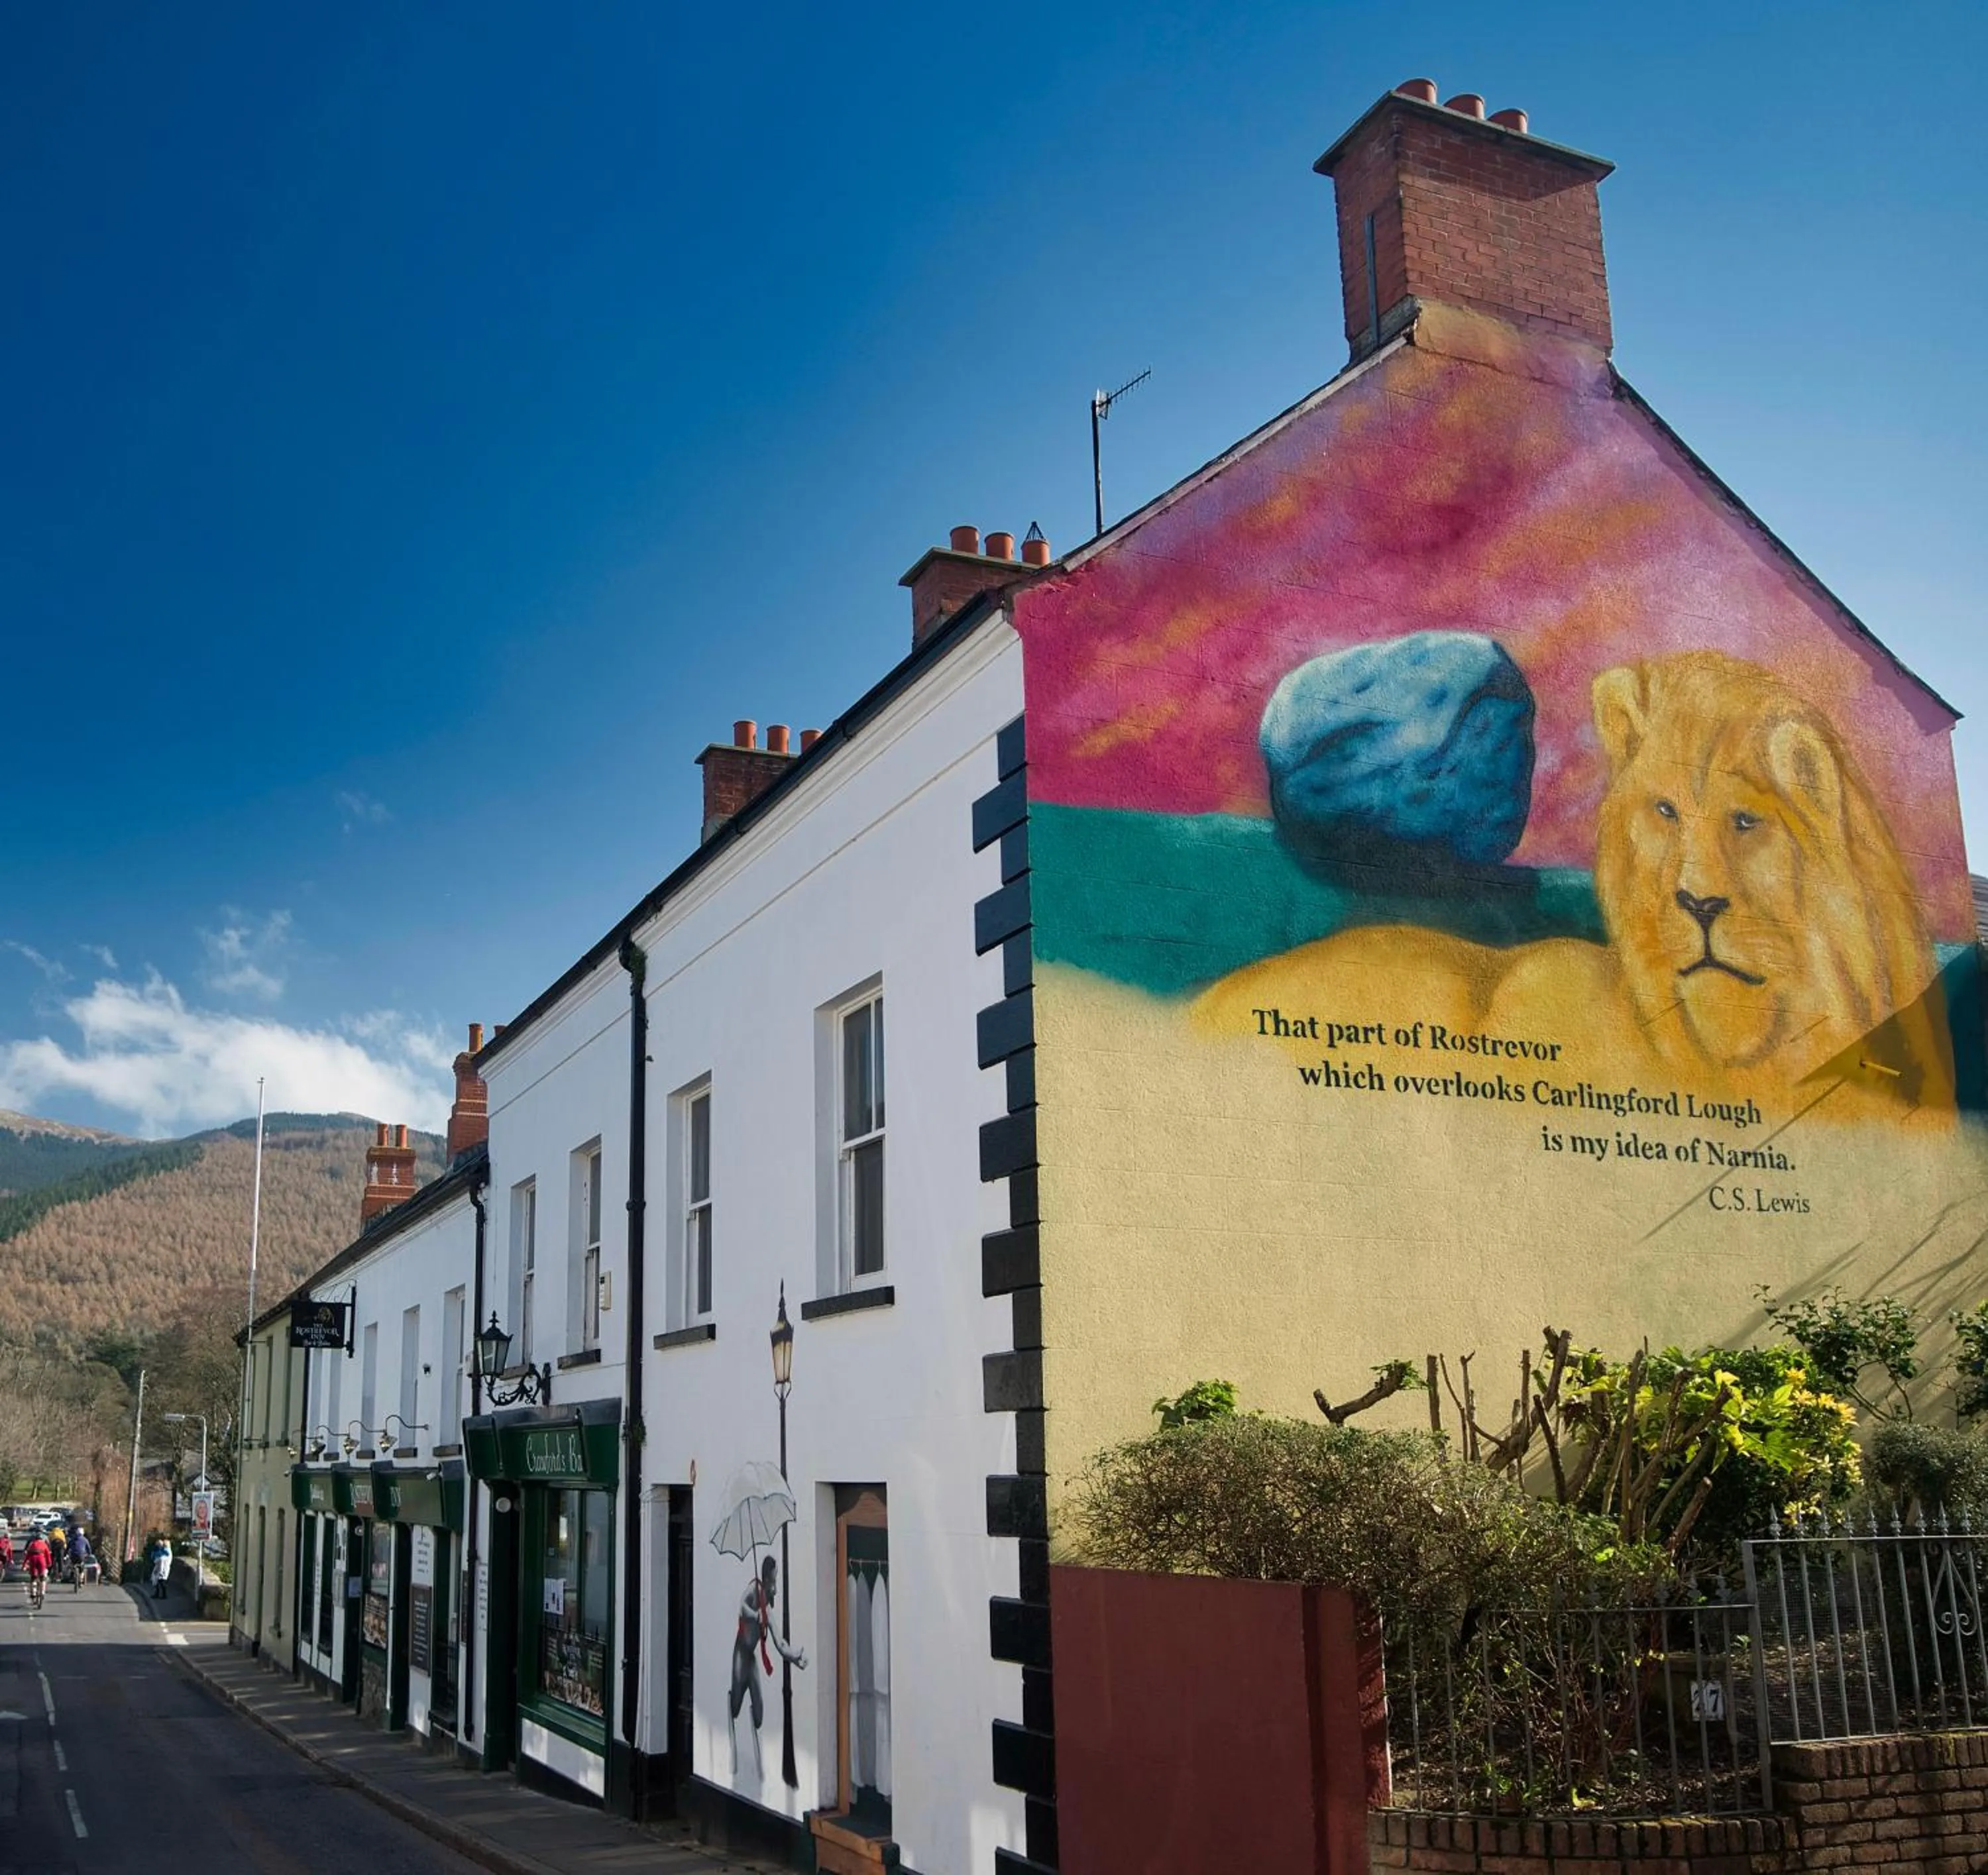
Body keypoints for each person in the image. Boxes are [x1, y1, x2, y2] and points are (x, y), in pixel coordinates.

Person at [726, 1553, 806, 1780]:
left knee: (759, 1711)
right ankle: (730, 1701)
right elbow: (741, 1607)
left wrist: (795, 1658)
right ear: (766, 1579)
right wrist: (755, 1615)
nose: (775, 1588)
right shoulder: (754, 1589)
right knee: (736, 1706)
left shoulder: (768, 1612)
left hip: (750, 1659)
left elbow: (780, 1643)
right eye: (773, 1582)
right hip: (740, 1654)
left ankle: (755, 1732)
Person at [23, 1530, 51, 1605]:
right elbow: (48, 1555)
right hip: (41, 1560)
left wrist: (24, 1565)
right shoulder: (44, 1544)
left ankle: (33, 1593)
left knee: (33, 1578)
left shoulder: (32, 1544)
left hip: (33, 1560)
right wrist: (49, 1564)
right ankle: (42, 1592)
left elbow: (27, 1556)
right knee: (43, 1578)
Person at [149, 1534, 172, 1599]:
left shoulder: (167, 1552)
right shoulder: (165, 1551)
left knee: (161, 1582)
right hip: (161, 1567)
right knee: (157, 1581)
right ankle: (158, 1594)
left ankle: (164, 1595)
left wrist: (156, 1560)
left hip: (163, 1568)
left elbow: (161, 1559)